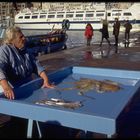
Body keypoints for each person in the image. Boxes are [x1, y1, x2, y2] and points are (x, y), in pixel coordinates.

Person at [0, 26, 55, 100]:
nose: (24, 38)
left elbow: (36, 65)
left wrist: (46, 80)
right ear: (12, 40)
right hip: (13, 89)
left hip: (27, 86)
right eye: (21, 37)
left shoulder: (26, 50)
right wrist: (6, 87)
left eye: (23, 36)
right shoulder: (4, 50)